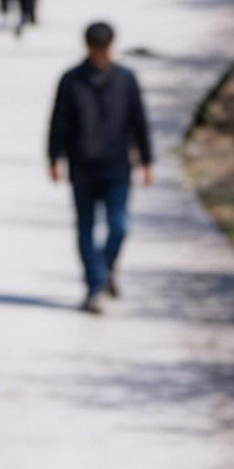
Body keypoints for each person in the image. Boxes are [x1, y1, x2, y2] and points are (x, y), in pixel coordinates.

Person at [46, 20, 153, 314]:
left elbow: (139, 121)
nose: (101, 54)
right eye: (97, 49)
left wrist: (147, 160)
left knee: (119, 227)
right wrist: (53, 157)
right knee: (85, 229)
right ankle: (95, 286)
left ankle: (105, 269)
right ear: (89, 48)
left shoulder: (125, 79)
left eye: (105, 48)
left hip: (118, 167)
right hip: (82, 167)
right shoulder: (71, 80)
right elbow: (58, 121)